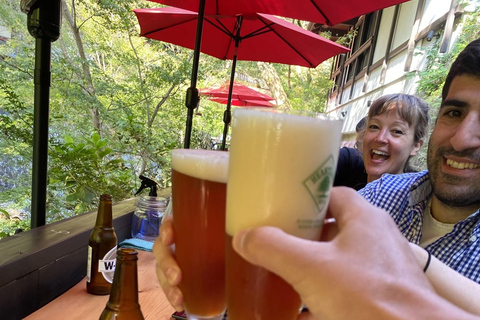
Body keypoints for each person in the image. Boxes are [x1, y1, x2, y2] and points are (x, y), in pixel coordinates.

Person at [359, 37, 480, 285]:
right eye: (454, 113)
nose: (461, 140)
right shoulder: (380, 195)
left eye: (397, 131)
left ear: (417, 145)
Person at [334, 93, 430, 190]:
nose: (380, 138)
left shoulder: (419, 193)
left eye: (397, 131)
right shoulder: (348, 161)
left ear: (416, 146)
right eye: (374, 126)